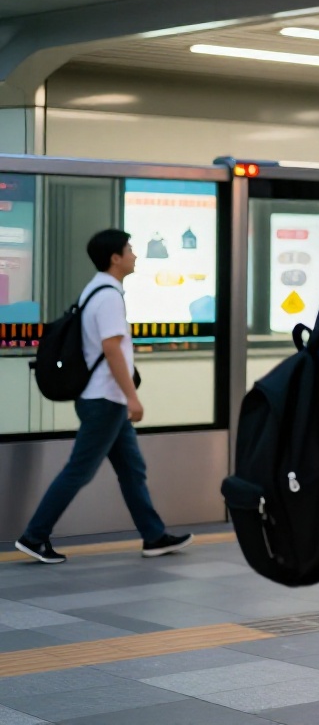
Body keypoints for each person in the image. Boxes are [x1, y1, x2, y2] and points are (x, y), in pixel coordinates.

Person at [14, 229, 193, 565]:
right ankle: (34, 536)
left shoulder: (95, 289)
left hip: (104, 399)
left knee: (131, 468)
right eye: (130, 249)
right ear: (115, 257)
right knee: (79, 470)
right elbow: (112, 349)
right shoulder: (109, 295)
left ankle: (154, 536)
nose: (135, 255)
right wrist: (132, 398)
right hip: (105, 400)